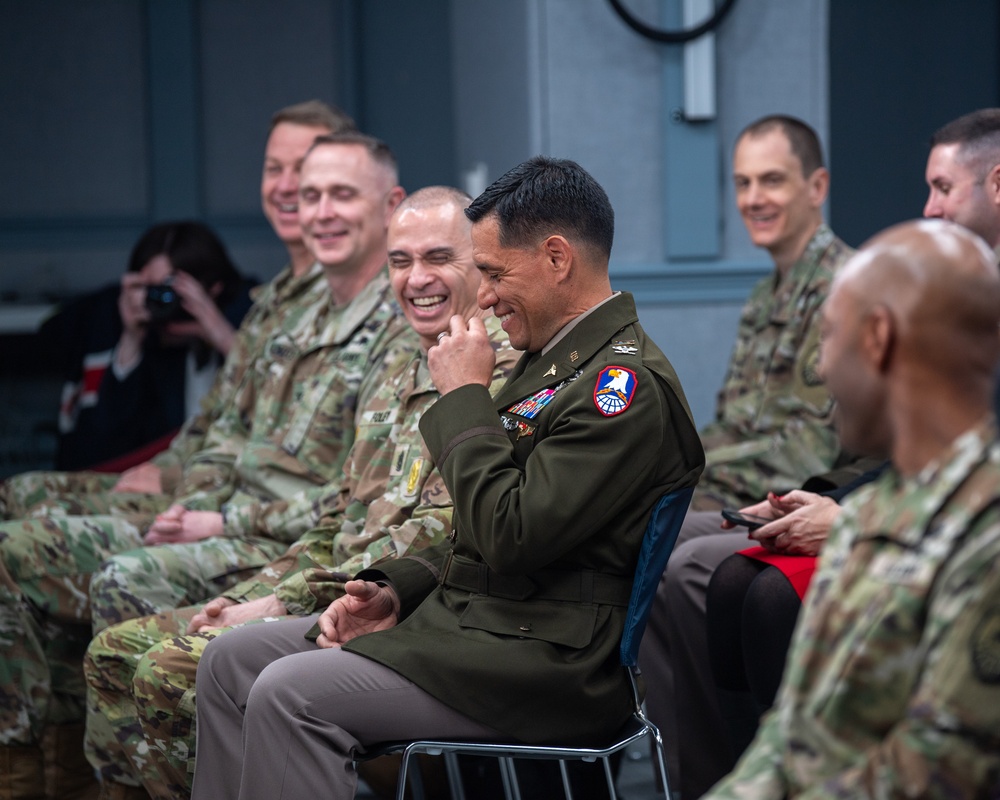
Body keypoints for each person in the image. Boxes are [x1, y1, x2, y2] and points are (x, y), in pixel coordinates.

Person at [189, 156, 705, 800]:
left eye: (493, 273)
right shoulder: (550, 362)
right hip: (476, 629)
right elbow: (477, 537)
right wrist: (396, 590)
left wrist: (464, 396)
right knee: (229, 661)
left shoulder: (621, 390)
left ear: (556, 258)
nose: (483, 296)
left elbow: (514, 535)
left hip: (542, 664)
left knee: (290, 694)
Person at [0, 131, 414, 800]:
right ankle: (41, 777)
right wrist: (179, 487)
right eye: (309, 194)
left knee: (120, 585)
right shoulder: (294, 308)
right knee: (20, 512)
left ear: (389, 203)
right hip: (267, 529)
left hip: (294, 545)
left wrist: (226, 530)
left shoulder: (406, 331)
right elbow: (228, 435)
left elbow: (358, 506)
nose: (318, 210)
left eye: (341, 194)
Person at [82, 186, 519, 799]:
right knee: (114, 652)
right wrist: (257, 592)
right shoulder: (398, 366)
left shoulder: (502, 375)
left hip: (394, 611)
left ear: (480, 263)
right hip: (328, 586)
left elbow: (439, 535)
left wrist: (279, 603)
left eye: (438, 258)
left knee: (167, 670)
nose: (416, 279)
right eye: (399, 262)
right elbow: (343, 515)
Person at [681, 106, 1000, 795]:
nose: (822, 370)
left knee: (749, 588)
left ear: (880, 341)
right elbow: (803, 738)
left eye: (831, 342)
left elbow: (932, 763)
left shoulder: (978, 544)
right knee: (738, 583)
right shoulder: (886, 512)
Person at [0, 99, 354, 522]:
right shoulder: (274, 301)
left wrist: (216, 327)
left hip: (243, 510)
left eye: (303, 169)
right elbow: (123, 440)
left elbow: (289, 449)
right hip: (200, 484)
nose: (285, 185)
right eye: (273, 168)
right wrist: (132, 337)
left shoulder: (345, 300)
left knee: (23, 537)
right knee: (19, 494)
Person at [638, 114, 853, 798]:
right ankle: (693, 774)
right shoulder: (766, 297)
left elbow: (816, 444)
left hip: (800, 492)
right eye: (741, 182)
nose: (753, 197)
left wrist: (690, 476)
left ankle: (717, 777)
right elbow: (735, 425)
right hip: (745, 488)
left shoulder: (846, 288)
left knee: (670, 557)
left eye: (772, 180)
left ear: (816, 186)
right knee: (637, 531)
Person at [41, 220, 255, 472]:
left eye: (173, 291)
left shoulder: (252, 315)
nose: (162, 303)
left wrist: (221, 335)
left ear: (214, 289)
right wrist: (130, 340)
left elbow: (279, 411)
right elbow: (99, 453)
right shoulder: (121, 327)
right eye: (153, 291)